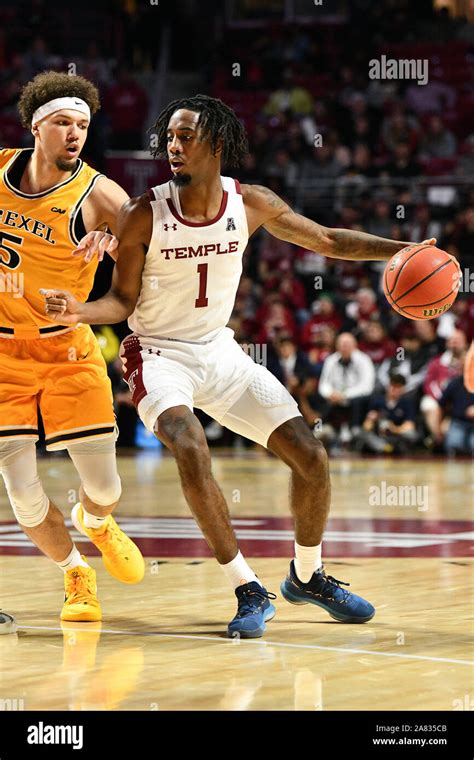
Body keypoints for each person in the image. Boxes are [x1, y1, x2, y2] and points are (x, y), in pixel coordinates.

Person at [43, 94, 436, 638]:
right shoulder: (142, 214)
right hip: (158, 351)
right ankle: (247, 586)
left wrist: (403, 249)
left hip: (219, 350)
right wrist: (80, 310)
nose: (172, 148)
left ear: (218, 144)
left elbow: (326, 240)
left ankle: (308, 576)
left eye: (185, 138)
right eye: (170, 138)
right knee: (187, 441)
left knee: (312, 456)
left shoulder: (249, 202)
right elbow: (122, 303)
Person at [0, 71, 145, 626]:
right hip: (4, 357)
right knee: (23, 495)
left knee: (106, 486)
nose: (75, 133)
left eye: (83, 125)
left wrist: (113, 253)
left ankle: (98, 522)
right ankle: (74, 574)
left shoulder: (103, 197)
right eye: (63, 122)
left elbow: (143, 277)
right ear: (37, 126)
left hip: (66, 350)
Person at [356, 374, 417, 455]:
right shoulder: (377, 401)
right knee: (359, 432)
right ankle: (384, 447)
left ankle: (388, 448)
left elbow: (410, 425)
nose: (395, 390)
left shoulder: (407, 403)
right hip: (380, 436)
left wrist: (394, 429)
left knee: (411, 434)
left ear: (403, 389)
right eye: (393, 386)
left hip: (397, 436)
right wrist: (373, 419)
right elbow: (367, 426)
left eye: (398, 387)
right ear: (388, 386)